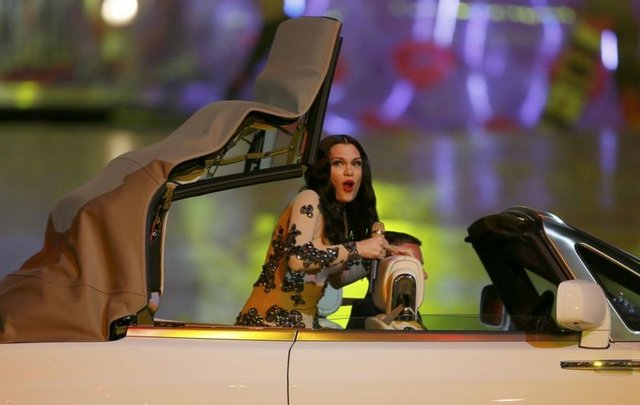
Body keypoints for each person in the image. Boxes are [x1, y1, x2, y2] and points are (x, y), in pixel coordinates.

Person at [235, 134, 389, 328]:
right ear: (323, 169)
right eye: (338, 163)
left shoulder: (339, 215)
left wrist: (379, 255)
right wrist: (358, 248)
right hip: (267, 329)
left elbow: (338, 279)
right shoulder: (309, 198)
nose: (349, 171)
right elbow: (298, 258)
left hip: (303, 330)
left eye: (356, 164)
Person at [346, 231, 425, 330]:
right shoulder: (367, 316)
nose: (425, 275)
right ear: (385, 266)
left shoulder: (410, 312)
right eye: (412, 265)